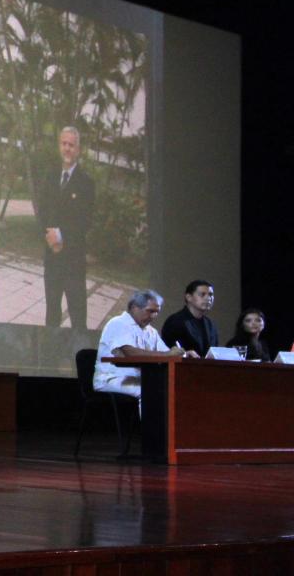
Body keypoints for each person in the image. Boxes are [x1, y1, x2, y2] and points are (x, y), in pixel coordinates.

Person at [36, 126, 95, 330]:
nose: (67, 148)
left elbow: (85, 221)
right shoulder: (50, 176)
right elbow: (41, 211)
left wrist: (61, 236)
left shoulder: (86, 183)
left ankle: (79, 359)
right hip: (52, 259)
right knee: (52, 314)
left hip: (73, 262)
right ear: (59, 146)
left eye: (71, 145)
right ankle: (50, 358)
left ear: (78, 149)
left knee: (78, 317)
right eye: (64, 144)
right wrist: (49, 237)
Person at [94, 290, 195, 400]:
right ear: (134, 308)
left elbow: (166, 354)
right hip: (113, 378)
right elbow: (130, 353)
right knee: (151, 391)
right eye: (150, 311)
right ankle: (150, 418)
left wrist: (183, 354)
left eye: (157, 312)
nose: (154, 316)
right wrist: (169, 354)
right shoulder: (118, 323)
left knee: (174, 388)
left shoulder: (151, 331)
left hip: (138, 379)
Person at [160, 280, 218, 356]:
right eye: (202, 294)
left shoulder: (210, 324)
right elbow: (169, 350)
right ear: (188, 297)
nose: (208, 298)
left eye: (210, 295)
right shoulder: (175, 321)